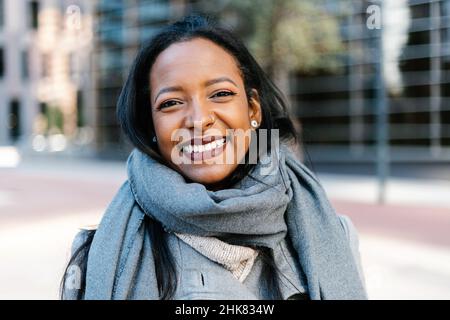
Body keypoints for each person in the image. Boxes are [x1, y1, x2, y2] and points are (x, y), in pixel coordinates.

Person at [61, 14, 367, 300]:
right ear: (151, 125)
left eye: (220, 94)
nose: (198, 119)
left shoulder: (334, 237)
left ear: (253, 110)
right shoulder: (98, 254)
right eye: (171, 103)